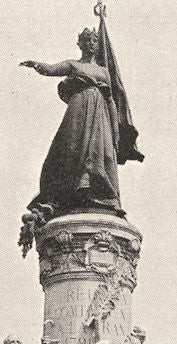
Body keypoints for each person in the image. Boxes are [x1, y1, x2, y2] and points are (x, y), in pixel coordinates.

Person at [20, 23, 142, 217]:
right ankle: (67, 192)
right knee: (71, 147)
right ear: (80, 44)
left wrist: (115, 129)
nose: (91, 43)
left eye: (94, 40)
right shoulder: (74, 65)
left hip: (99, 111)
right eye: (87, 40)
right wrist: (37, 65)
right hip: (78, 108)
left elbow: (110, 99)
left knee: (101, 153)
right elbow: (52, 69)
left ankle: (104, 195)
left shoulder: (103, 72)